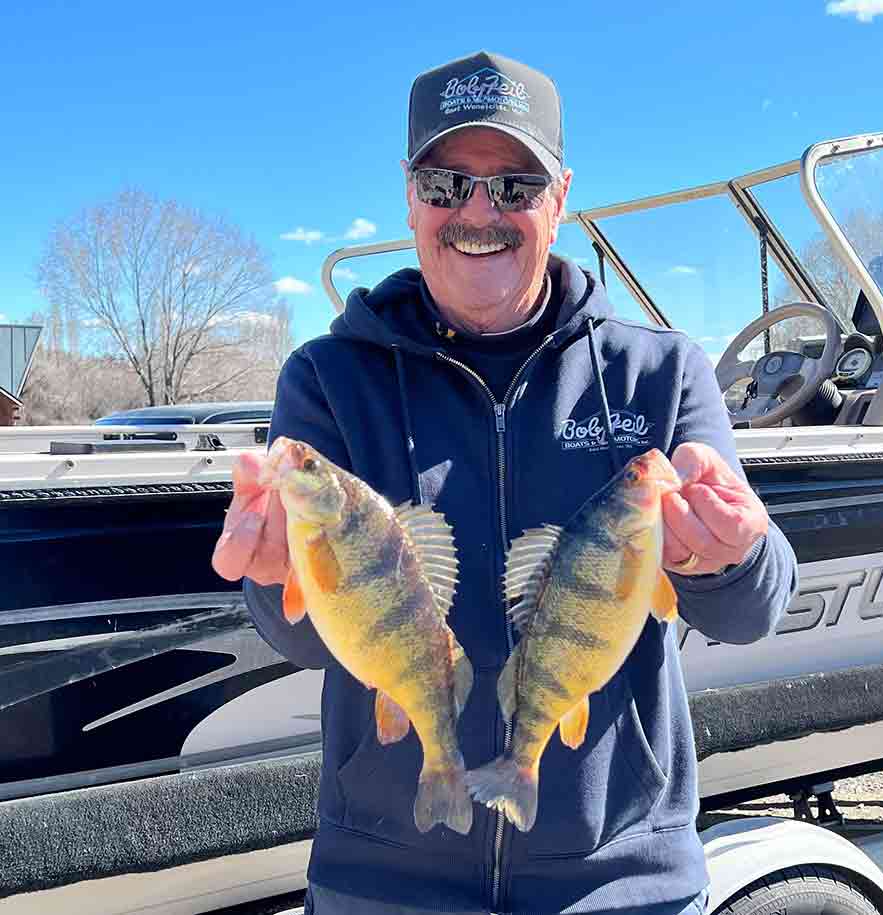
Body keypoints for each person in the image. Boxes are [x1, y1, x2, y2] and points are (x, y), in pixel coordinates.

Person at [212, 50, 797, 915]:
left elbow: (754, 610)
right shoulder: (328, 378)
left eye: (514, 185)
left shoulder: (662, 375)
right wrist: (274, 581)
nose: (479, 211)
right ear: (411, 197)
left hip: (621, 880)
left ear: (559, 199)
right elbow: (307, 637)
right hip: (384, 878)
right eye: (449, 182)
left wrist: (734, 552)